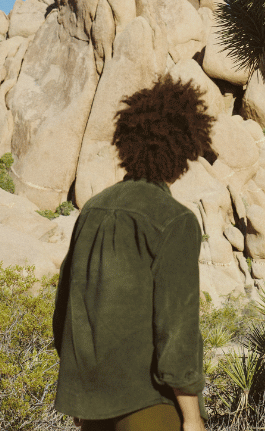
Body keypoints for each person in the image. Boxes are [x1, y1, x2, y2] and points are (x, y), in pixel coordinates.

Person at [54, 76, 213, 431]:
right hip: (149, 404)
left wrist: (83, 393)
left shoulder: (93, 208)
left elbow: (66, 307)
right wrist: (191, 418)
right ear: (184, 150)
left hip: (92, 403)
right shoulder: (175, 221)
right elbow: (177, 330)